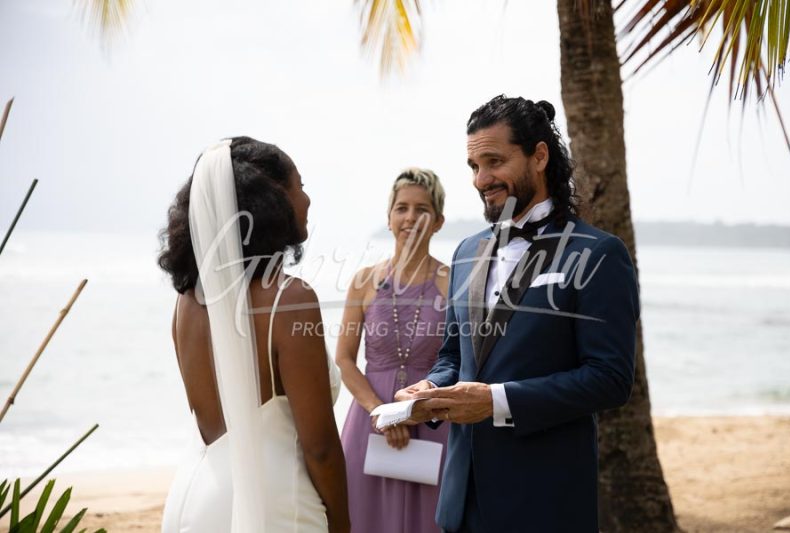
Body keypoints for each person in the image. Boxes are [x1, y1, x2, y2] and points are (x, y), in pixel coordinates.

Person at [397, 95, 640, 532]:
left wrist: (495, 402)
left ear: (539, 156)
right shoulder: (466, 251)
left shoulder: (599, 253)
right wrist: (431, 389)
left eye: (494, 161)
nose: (481, 179)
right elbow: (455, 354)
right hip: (460, 502)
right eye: (473, 166)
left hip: (544, 502)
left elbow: (610, 379)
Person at [158, 137, 349, 533]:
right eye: (301, 185)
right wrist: (344, 524)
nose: (309, 199)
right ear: (272, 199)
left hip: (194, 498)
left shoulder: (187, 301)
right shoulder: (288, 298)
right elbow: (320, 447)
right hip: (272, 505)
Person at [336, 168, 450, 533]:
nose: (411, 218)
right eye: (402, 208)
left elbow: (463, 359)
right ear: (389, 219)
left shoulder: (453, 282)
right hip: (370, 426)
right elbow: (344, 359)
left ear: (439, 221)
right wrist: (380, 412)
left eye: (422, 209)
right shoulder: (364, 281)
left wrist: (416, 409)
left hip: (432, 424)